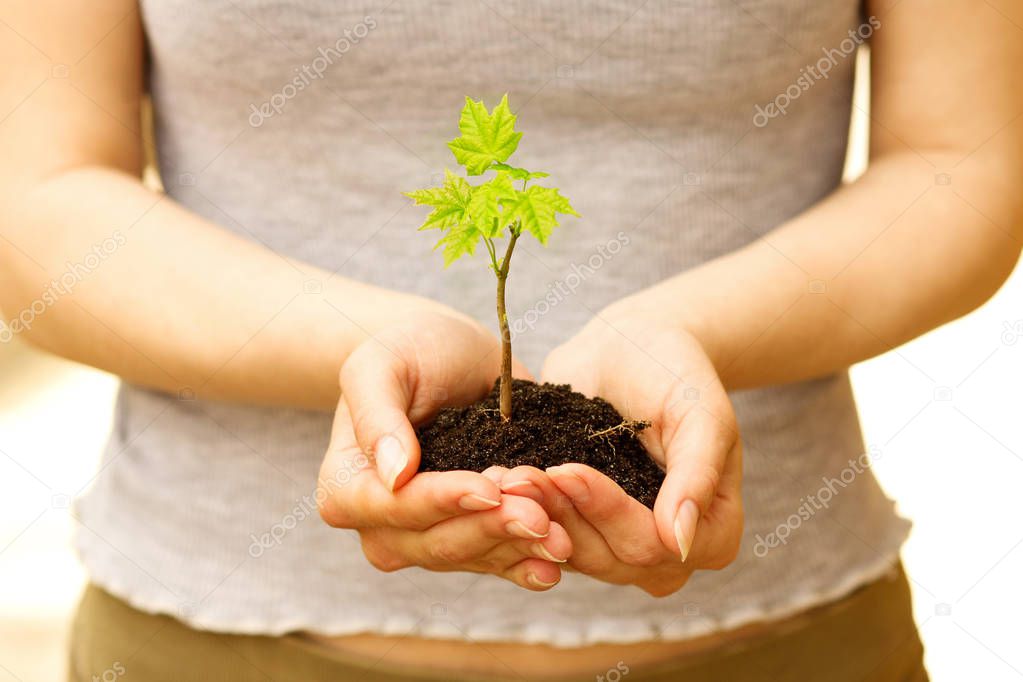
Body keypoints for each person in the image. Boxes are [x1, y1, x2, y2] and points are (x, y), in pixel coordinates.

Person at [1, 1, 1019, 680]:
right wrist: (364, 346)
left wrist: (687, 334)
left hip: (782, 641)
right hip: (216, 641)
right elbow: (34, 199)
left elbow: (962, 161)